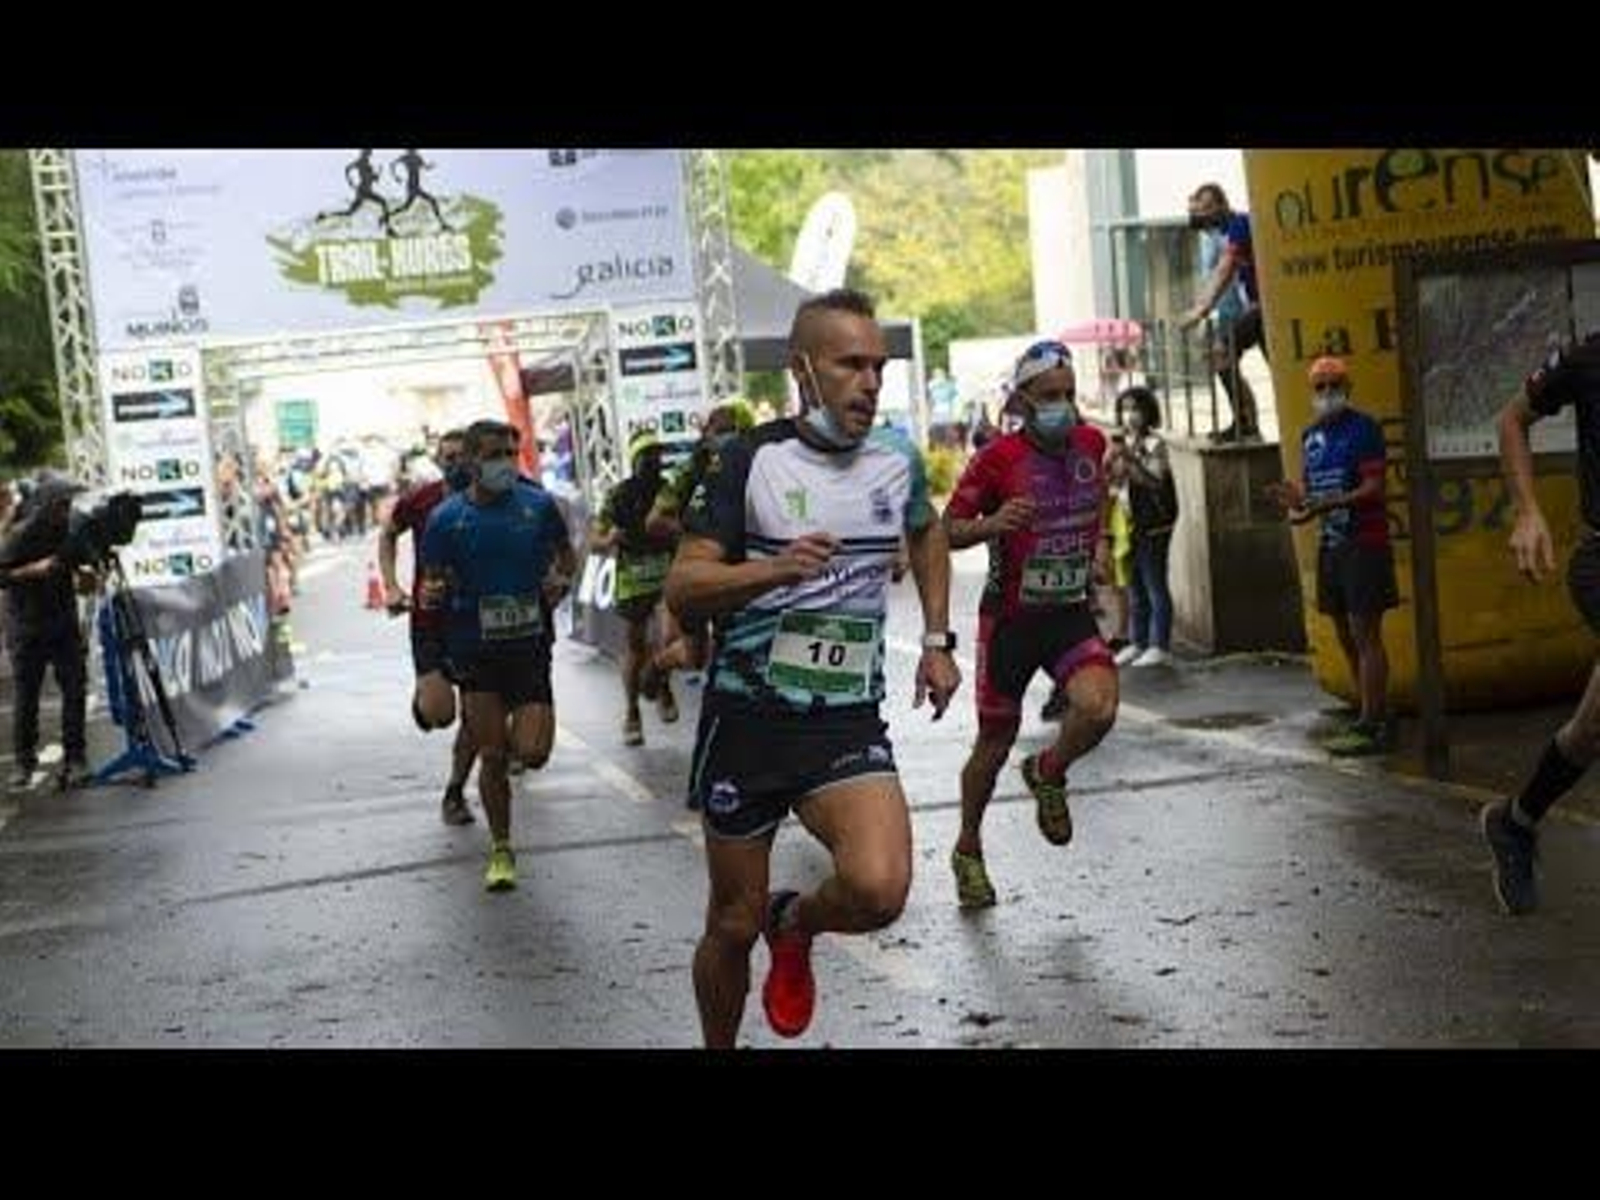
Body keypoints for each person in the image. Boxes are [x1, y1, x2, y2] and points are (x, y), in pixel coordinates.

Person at [666, 288, 961, 1047]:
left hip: (841, 718)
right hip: (748, 722)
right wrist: (770, 573)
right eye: (851, 365)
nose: (870, 382)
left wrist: (936, 641)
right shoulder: (749, 460)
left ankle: (794, 925)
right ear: (803, 370)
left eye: (879, 367)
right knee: (731, 923)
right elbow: (684, 587)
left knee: (879, 889)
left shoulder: (895, 459)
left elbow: (928, 533)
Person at [941, 339, 1117, 910]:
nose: (1062, 406)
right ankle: (968, 848)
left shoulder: (1093, 443)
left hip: (1066, 613)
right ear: (1022, 398)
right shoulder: (997, 458)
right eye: (1049, 396)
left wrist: (1102, 546)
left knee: (1099, 707)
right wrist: (992, 523)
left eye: (1069, 394)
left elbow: (1100, 496)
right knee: (992, 747)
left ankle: (1049, 769)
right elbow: (946, 530)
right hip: (1011, 621)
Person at [418, 419, 577, 892]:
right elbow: (433, 580)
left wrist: (559, 581)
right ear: (470, 461)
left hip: (529, 648)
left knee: (533, 753)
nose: (507, 462)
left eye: (512, 452)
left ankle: (513, 733)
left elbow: (565, 556)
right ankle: (502, 848)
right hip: (475, 651)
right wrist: (433, 594)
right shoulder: (447, 519)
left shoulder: (538, 505)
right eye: (495, 454)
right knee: (491, 753)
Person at [1481, 329, 1600, 915]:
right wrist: (1528, 512)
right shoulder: (1588, 356)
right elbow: (1510, 420)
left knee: (1589, 731)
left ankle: (1516, 821)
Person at [1265, 356, 1397, 757]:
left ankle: (1374, 722)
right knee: (1343, 632)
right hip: (1332, 544)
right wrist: (1296, 504)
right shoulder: (1311, 438)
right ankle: (1367, 709)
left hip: (1364, 543)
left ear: (1347, 387)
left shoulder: (1364, 429)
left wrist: (1331, 502)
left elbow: (1374, 487)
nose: (1326, 394)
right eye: (1319, 387)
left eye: (1334, 385)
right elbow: (1308, 503)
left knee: (1365, 632)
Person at [379, 428, 478, 826]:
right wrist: (390, 586)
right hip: (429, 620)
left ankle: (455, 791)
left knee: (475, 712)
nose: (454, 463)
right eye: (447, 457)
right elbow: (388, 534)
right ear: (438, 461)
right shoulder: (421, 499)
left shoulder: (494, 499)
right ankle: (426, 697)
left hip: (474, 622)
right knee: (441, 715)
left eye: (461, 456)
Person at [645, 399, 757, 678]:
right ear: (706, 433)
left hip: (742, 569)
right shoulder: (689, 470)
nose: (724, 438)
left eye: (732, 430)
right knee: (695, 656)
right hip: (696, 566)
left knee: (730, 646)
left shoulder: (761, 462)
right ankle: (658, 666)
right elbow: (655, 521)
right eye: (718, 430)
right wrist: (702, 535)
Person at [0, 474, 97, 790]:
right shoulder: (20, 535)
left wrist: (88, 576)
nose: (67, 510)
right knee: (27, 697)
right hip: (26, 626)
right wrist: (34, 569)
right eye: (61, 505)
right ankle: (23, 763)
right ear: (45, 506)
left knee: (75, 689)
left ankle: (76, 759)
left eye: (69, 504)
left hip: (63, 622)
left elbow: (87, 569)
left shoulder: (72, 532)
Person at [592, 429, 680, 745]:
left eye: (657, 455)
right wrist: (610, 539)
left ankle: (662, 682)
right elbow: (595, 541)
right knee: (635, 647)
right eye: (646, 456)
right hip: (632, 581)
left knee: (667, 637)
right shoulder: (617, 495)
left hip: (666, 577)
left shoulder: (669, 489)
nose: (653, 461)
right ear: (635, 460)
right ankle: (631, 713)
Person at [1179, 183, 1265, 443]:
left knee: (1221, 350)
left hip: (1264, 307)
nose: (1201, 216)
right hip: (1254, 308)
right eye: (1196, 210)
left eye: (1206, 209)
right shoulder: (1220, 234)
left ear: (1221, 205)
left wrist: (1201, 309)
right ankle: (1246, 423)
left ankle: (1246, 423)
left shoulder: (1239, 225)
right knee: (1223, 353)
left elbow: (1224, 270)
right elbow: (1222, 275)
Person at [1111, 386, 1179, 669]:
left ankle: (1159, 644)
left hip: (1154, 524)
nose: (1130, 415)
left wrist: (1129, 458)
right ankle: (1138, 642)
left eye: (1135, 408)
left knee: (1154, 584)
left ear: (1147, 411)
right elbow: (1116, 482)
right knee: (1135, 586)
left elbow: (1154, 481)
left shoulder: (1154, 444)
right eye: (1125, 409)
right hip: (1129, 524)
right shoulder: (1124, 442)